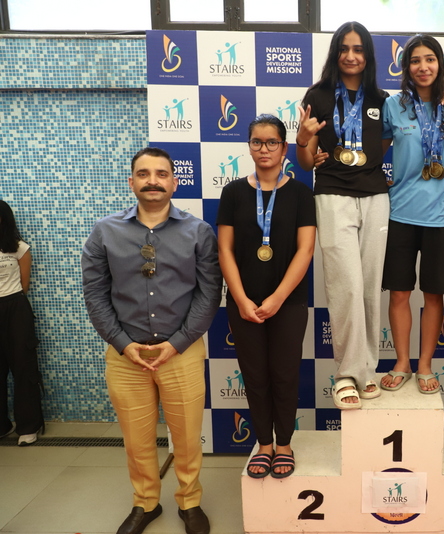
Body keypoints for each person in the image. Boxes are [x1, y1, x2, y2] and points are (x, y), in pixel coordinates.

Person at [82, 147, 221, 534]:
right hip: (125, 355)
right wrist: (122, 343)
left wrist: (178, 342)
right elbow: (95, 294)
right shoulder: (105, 231)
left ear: (174, 182)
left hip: (181, 352)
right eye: (143, 174)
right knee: (137, 440)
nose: (153, 181)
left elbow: (209, 293)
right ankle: (145, 503)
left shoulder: (198, 231)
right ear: (132, 182)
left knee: (187, 438)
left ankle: (190, 501)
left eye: (161, 174)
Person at [296, 22, 388, 410]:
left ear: (368, 55)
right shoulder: (317, 95)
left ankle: (366, 368)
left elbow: (383, 147)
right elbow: (305, 162)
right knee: (345, 285)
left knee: (368, 286)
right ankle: (347, 373)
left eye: (359, 49)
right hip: (333, 195)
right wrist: (303, 140)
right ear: (335, 52)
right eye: (344, 48)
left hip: (376, 197)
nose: (351, 56)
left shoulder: (381, 98)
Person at [379, 34, 444, 394]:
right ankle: (402, 363)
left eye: (430, 59)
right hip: (400, 214)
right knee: (399, 294)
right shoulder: (393, 106)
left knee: (434, 296)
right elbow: (376, 151)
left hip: (440, 217)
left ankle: (424, 365)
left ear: (440, 64)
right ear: (406, 67)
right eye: (415, 60)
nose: (423, 67)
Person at [218, 114, 315, 478]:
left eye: (271, 142)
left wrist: (276, 298)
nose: (264, 149)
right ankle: (263, 444)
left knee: (285, 375)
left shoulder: (301, 194)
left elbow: (305, 250)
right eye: (257, 142)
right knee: (255, 376)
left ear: (284, 148)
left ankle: (284, 444)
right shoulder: (233, 193)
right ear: (249, 147)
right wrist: (241, 299)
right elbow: (224, 250)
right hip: (243, 303)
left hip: (288, 302)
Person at [0, 199, 44, 446]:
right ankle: (2, 425)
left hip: (15, 307)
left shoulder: (19, 248)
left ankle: (28, 427)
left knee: (23, 366)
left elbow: (24, 285)